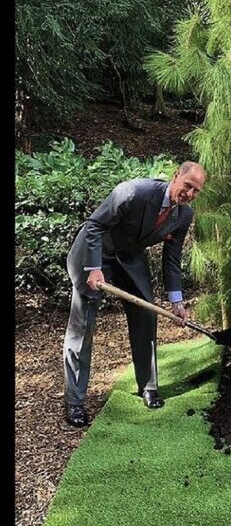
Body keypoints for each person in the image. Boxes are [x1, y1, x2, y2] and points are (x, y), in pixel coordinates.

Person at [63, 161, 207, 427]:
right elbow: (94, 225)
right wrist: (94, 268)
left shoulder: (183, 215)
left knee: (146, 314)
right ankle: (75, 401)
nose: (190, 194)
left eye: (196, 191)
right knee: (83, 324)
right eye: (188, 186)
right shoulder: (133, 192)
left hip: (130, 257)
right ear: (176, 176)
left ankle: (148, 386)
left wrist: (177, 302)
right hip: (94, 251)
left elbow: (172, 259)